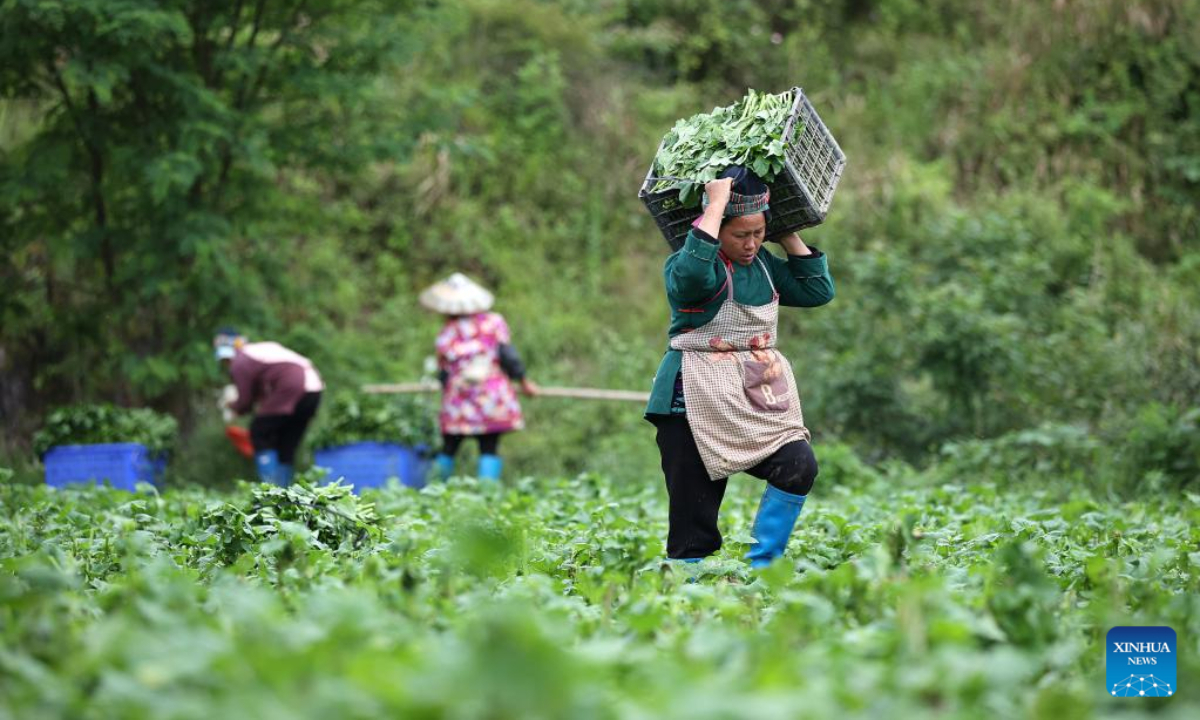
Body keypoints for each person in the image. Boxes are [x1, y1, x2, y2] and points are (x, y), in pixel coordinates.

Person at [644, 166, 836, 568]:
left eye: (758, 233)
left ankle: (761, 566)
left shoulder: (765, 266)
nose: (750, 244)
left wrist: (785, 230)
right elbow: (691, 276)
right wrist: (714, 205)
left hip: (753, 391)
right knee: (694, 521)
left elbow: (818, 290)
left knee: (798, 464)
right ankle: (687, 595)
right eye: (740, 234)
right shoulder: (692, 265)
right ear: (715, 228)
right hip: (691, 399)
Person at [420, 273, 538, 481]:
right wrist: (524, 382)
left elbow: (444, 371)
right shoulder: (493, 323)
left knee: (450, 444)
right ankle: (487, 495)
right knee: (489, 445)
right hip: (489, 394)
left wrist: (447, 386)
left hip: (459, 397)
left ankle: (432, 490)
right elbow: (507, 355)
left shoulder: (447, 332)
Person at [214, 329, 324, 485]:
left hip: (294, 386)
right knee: (286, 441)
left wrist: (231, 406)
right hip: (314, 390)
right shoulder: (259, 352)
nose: (228, 365)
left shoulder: (240, 360)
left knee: (259, 432)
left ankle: (271, 491)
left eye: (226, 360)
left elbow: (245, 401)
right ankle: (287, 494)